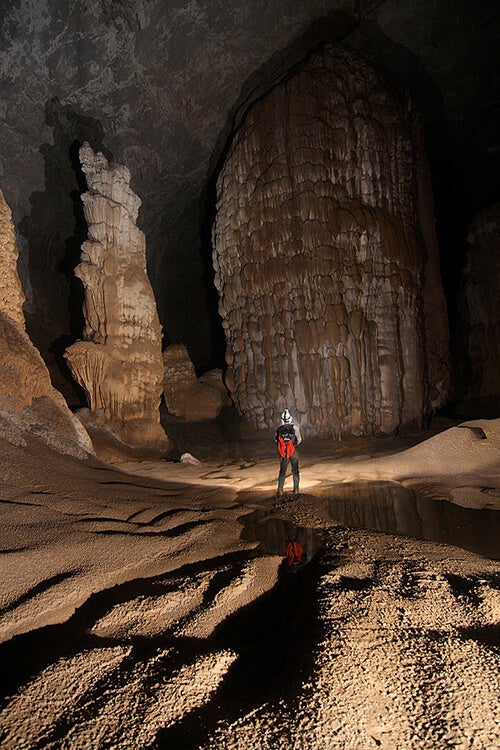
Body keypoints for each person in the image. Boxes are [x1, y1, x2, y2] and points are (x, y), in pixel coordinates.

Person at [275, 408, 302, 497]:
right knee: (295, 470)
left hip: (283, 453)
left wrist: (283, 447)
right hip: (293, 451)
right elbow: (299, 439)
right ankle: (296, 489)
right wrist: (293, 445)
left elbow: (276, 440)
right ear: (290, 419)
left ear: (282, 420)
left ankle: (280, 490)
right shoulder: (295, 428)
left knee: (282, 471)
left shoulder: (279, 429)